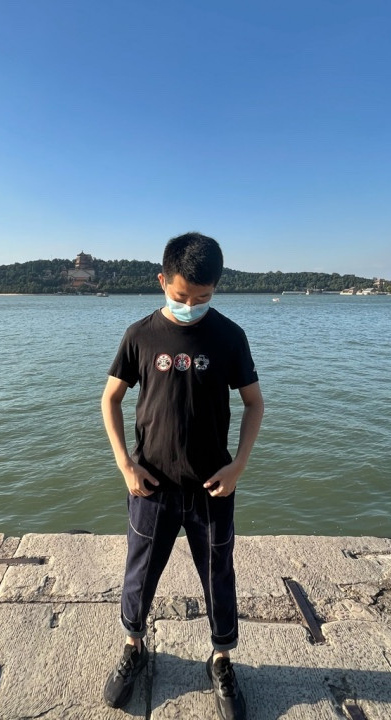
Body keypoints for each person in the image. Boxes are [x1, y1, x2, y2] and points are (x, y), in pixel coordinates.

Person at [101, 232, 264, 720]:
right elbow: (110, 399)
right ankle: (134, 647)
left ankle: (221, 659)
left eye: (202, 297)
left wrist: (238, 465)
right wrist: (125, 464)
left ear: (216, 289)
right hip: (150, 483)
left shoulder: (229, 336)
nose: (191, 306)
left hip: (212, 486)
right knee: (139, 572)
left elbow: (254, 403)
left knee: (218, 575)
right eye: (181, 296)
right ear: (162, 281)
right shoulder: (140, 335)